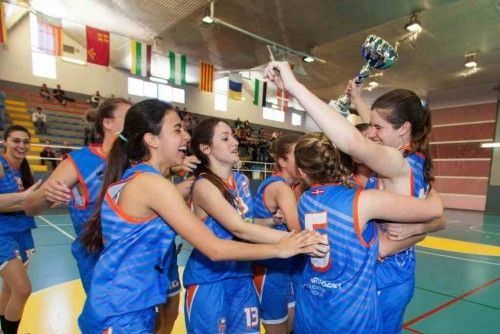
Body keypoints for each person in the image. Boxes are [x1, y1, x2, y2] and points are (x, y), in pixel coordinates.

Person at [75, 100, 326, 333]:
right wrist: (283, 247)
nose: (186, 136)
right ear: (151, 140)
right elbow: (215, 248)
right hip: (121, 310)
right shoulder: (152, 184)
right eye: (177, 130)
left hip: (127, 305)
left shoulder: (142, 180)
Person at [264, 62, 445, 333]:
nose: (371, 132)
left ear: (404, 128)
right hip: (393, 275)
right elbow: (434, 209)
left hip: (385, 279)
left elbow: (354, 143)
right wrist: (358, 99)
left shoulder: (396, 162)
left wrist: (295, 88)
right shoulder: (411, 159)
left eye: (378, 127)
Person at [183, 118, 327, 334]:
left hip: (242, 276)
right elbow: (238, 228)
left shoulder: (240, 180)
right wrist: (294, 241)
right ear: (206, 149)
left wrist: (271, 222)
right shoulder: (204, 185)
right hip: (210, 281)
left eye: (233, 135)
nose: (234, 142)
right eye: (225, 138)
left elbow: (247, 222)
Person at [292, 132, 443, 333]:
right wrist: (422, 226)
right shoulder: (363, 200)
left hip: (311, 302)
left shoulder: (304, 200)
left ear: (302, 173)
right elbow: (434, 211)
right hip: (348, 311)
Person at [26, 98, 131, 295]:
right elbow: (30, 207)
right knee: (106, 320)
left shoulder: (137, 161)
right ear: (107, 123)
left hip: (133, 255)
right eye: (129, 117)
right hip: (97, 258)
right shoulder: (81, 160)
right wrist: (47, 195)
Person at [252, 134, 301, 334]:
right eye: (298, 154)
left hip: (288, 267)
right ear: (282, 161)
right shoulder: (279, 187)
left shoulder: (291, 186)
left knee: (291, 328)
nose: (304, 158)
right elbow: (298, 230)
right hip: (269, 270)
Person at [0, 125, 37, 334]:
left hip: (22, 231)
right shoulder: (1, 164)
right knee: (23, 290)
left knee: (10, 288)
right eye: (16, 140)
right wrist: (24, 200)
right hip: (2, 233)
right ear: (5, 141)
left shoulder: (24, 169)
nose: (21, 146)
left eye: (25, 141)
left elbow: (27, 205)